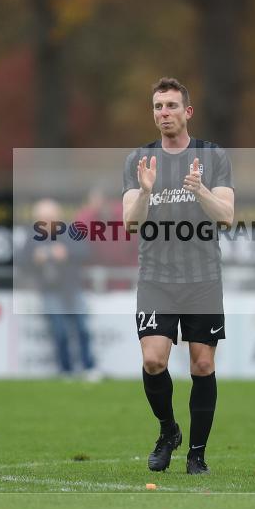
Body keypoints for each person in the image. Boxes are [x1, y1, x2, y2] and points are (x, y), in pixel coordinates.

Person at [122, 77, 234, 475]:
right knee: (153, 361)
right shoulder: (140, 159)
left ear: (187, 112)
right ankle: (168, 431)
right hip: (156, 278)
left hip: (203, 278)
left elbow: (225, 216)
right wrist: (146, 192)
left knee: (202, 365)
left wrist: (200, 189)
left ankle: (197, 454)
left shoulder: (212, 156)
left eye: (171, 106)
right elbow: (130, 224)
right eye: (157, 107)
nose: (163, 113)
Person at [27, 198, 99, 380]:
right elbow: (21, 259)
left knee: (82, 329)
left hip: (72, 289)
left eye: (50, 217)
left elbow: (85, 251)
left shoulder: (71, 231)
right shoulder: (32, 236)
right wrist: (35, 258)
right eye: (43, 218)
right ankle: (65, 370)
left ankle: (88, 367)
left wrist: (66, 253)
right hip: (50, 291)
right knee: (60, 332)